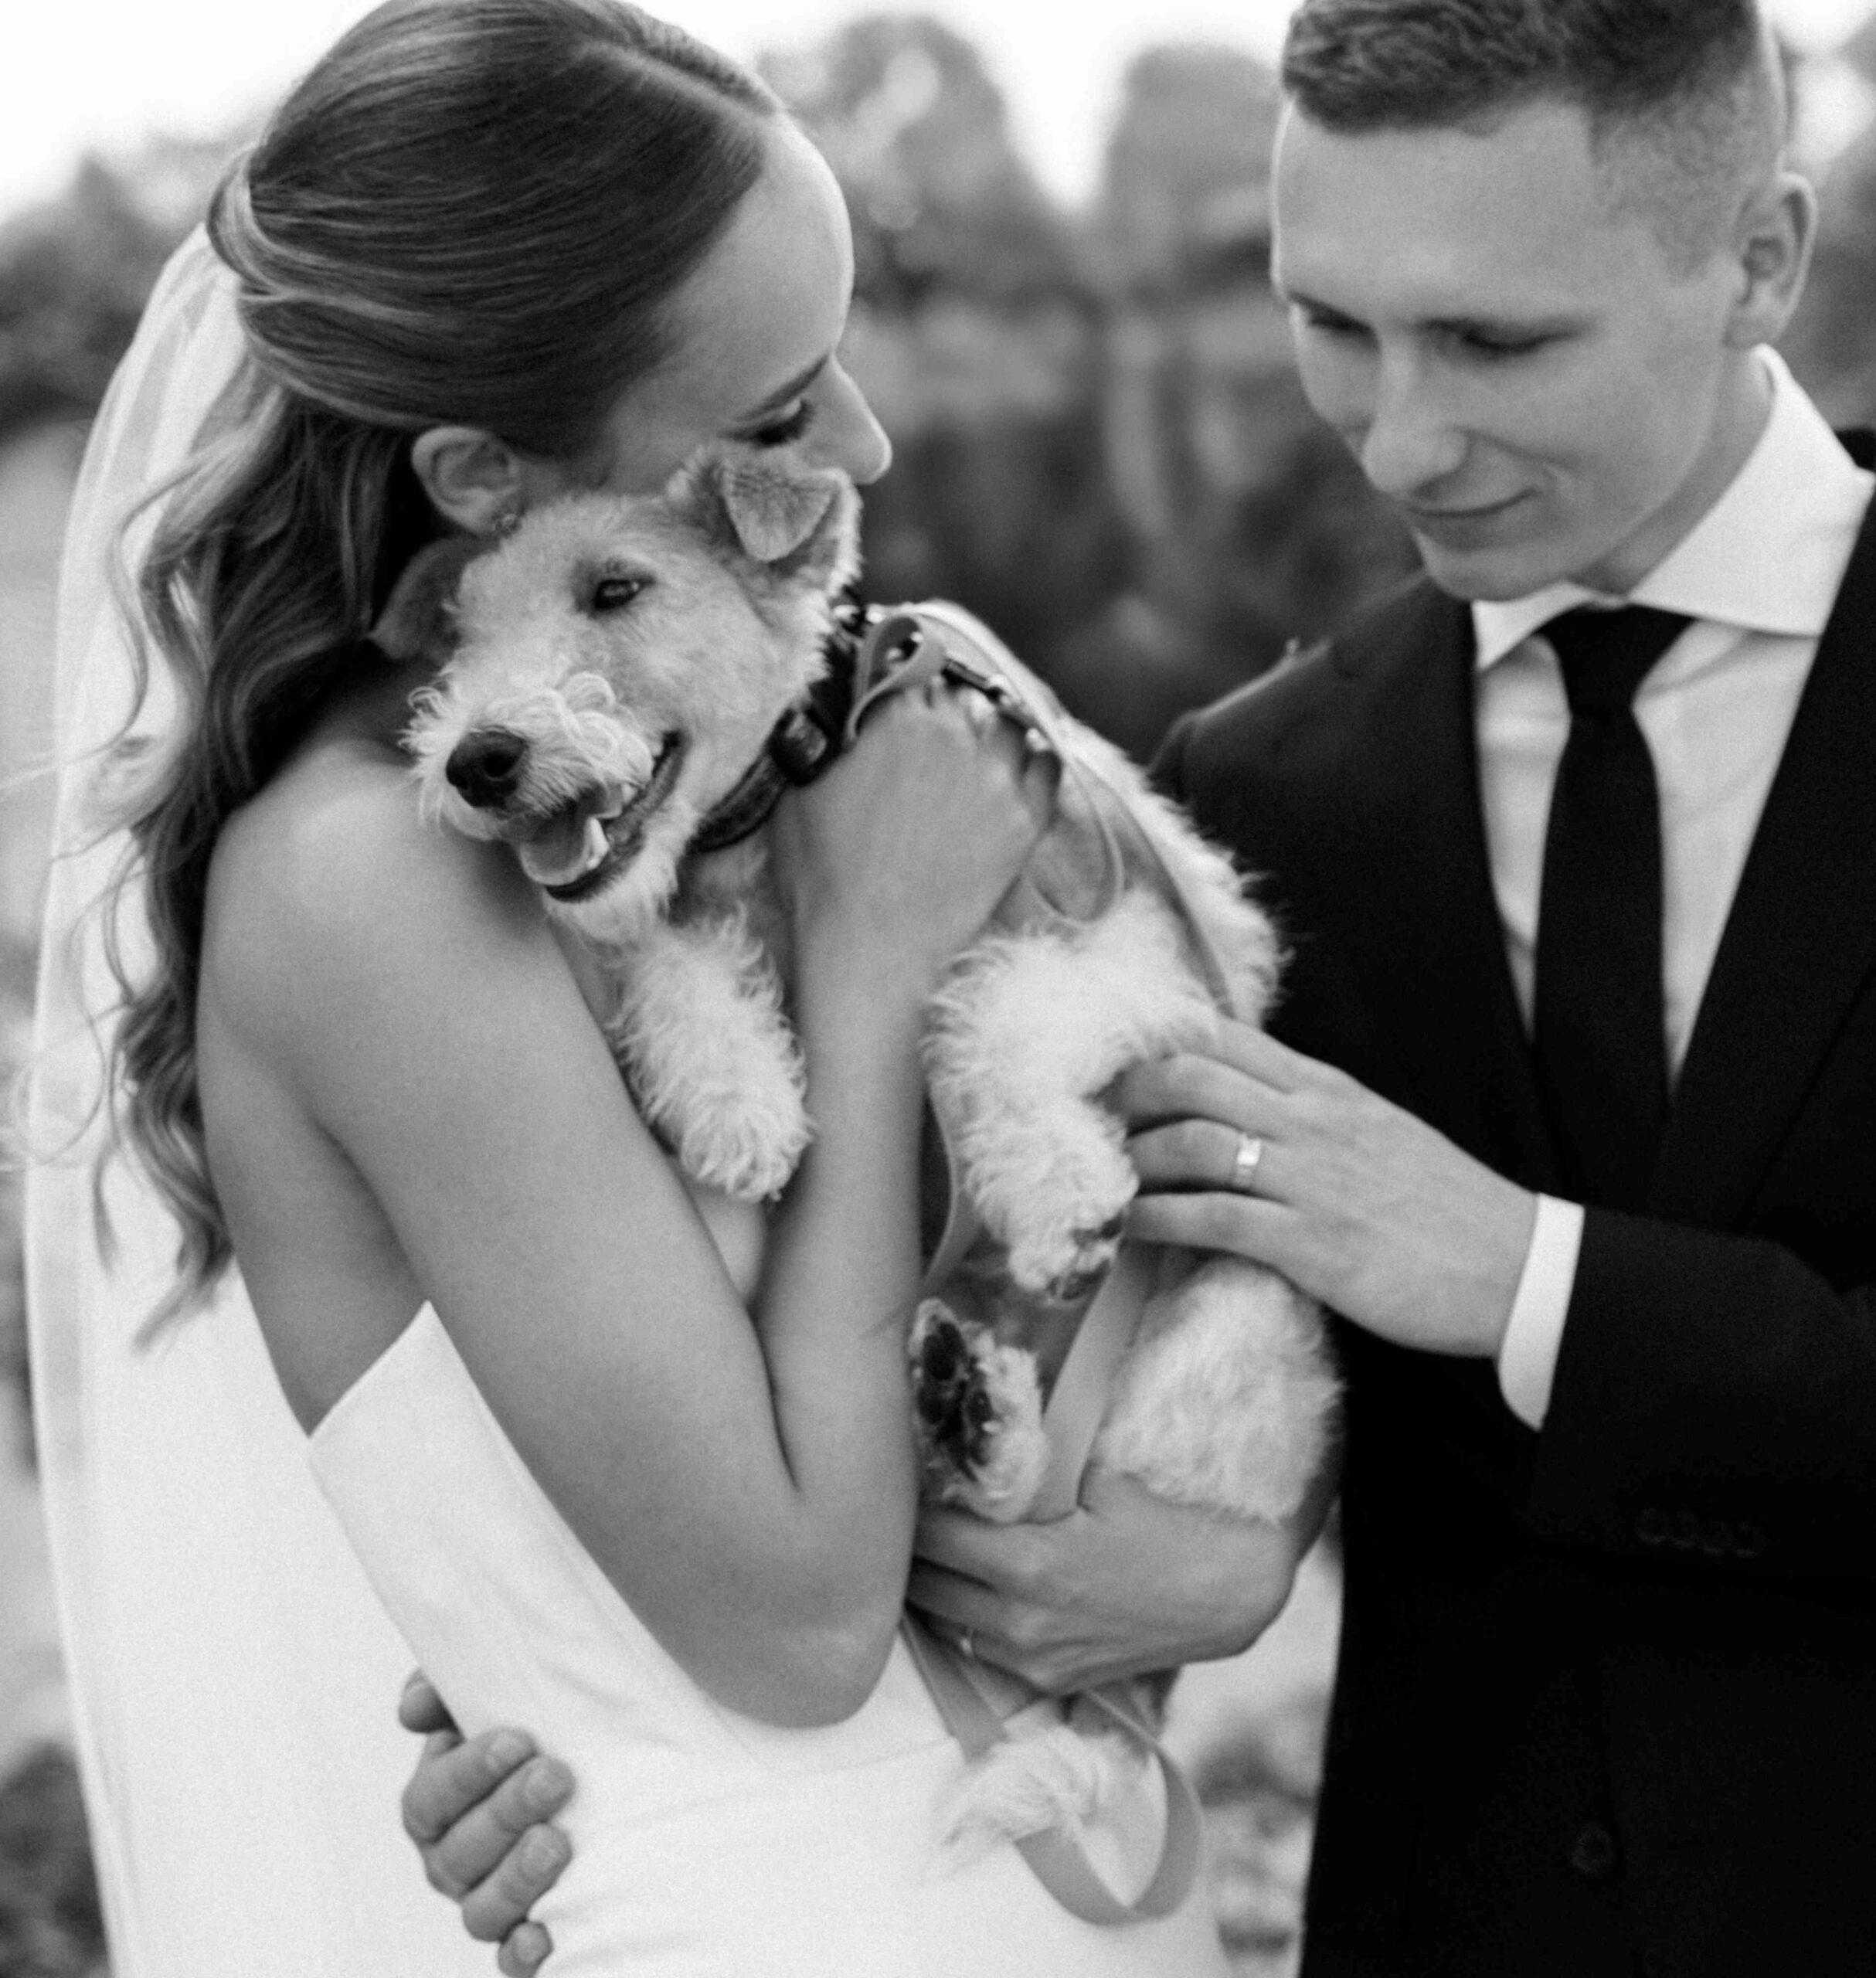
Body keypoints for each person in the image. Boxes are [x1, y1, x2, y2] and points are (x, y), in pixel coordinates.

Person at [429, 2, 1876, 1973]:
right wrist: (561, 1691)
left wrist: (1524, 1277)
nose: (1394, 437)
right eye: (1327, 321)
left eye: (1493, 341)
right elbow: (909, 1337)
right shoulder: (1259, 788)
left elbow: (1489, 1303)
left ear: (1761, 260)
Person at [27, 1, 1251, 1971]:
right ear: (478, 477)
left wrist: (1217, 1552)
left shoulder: (693, 796)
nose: (859, 446)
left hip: (1006, 1856)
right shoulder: (366, 879)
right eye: (775, 410)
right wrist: (873, 953)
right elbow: (796, 1618)